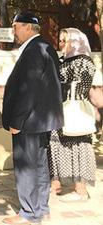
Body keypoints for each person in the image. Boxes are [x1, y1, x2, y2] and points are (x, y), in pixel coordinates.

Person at [2, 12, 63, 224]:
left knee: (26, 166)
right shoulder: (46, 47)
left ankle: (28, 213)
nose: (13, 31)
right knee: (40, 165)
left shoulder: (33, 51)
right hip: (42, 120)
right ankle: (41, 208)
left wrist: (17, 121)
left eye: (16, 26)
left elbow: (29, 90)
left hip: (28, 121)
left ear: (28, 27)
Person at [48, 28, 97, 202]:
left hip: (74, 111)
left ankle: (81, 190)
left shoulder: (82, 62)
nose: (61, 44)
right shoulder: (68, 61)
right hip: (63, 111)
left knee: (79, 147)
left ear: (76, 41)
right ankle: (55, 184)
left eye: (64, 40)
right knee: (55, 145)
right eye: (60, 41)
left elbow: (64, 80)